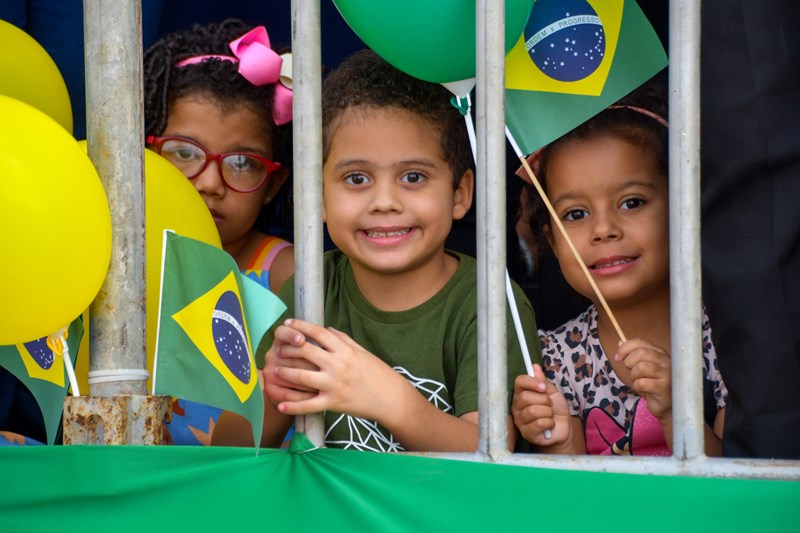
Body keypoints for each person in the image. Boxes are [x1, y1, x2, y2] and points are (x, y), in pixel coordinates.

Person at [212, 48, 540, 452]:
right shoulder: (308, 293)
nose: (384, 201)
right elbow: (226, 451)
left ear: (460, 193)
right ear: (317, 196)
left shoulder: (488, 303)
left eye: (414, 176)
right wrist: (273, 395)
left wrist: (393, 401)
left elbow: (491, 453)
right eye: (356, 178)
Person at [511, 75, 728, 456]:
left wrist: (678, 411)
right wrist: (558, 437)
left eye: (631, 203)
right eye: (576, 213)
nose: (604, 230)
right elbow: (573, 499)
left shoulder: (725, 338)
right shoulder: (557, 358)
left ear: (684, 207)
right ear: (552, 241)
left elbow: (739, 490)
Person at [143, 19, 294, 445]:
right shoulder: (119, 263)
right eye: (184, 153)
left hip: (241, 493)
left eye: (243, 162)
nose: (210, 182)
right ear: (147, 153)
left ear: (274, 185)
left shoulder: (286, 273)